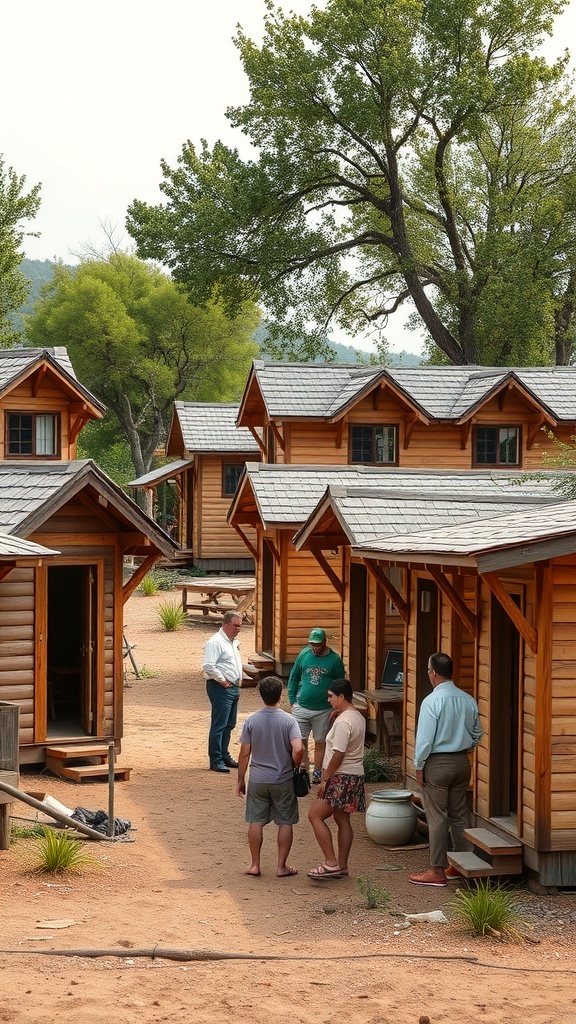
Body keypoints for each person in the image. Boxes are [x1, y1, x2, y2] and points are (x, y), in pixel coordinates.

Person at [409, 651, 483, 887]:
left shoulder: (432, 701)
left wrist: (419, 766)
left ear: (432, 672)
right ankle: (463, 866)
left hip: (437, 763)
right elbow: (477, 734)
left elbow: (425, 741)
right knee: (459, 815)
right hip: (462, 762)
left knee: (438, 817)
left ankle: (437, 870)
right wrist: (464, 747)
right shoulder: (467, 699)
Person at [237, 675, 304, 877]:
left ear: (261, 696)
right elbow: (298, 749)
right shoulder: (289, 720)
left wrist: (241, 779)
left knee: (255, 821)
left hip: (258, 778)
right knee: (285, 821)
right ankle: (281, 866)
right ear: (280, 695)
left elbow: (244, 753)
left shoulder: (252, 720)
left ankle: (255, 865)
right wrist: (295, 763)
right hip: (282, 779)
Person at [307, 678, 366, 878]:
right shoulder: (357, 716)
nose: (328, 700)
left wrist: (325, 778)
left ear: (341, 696)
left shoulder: (343, 722)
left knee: (315, 815)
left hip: (340, 776)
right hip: (355, 773)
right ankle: (342, 865)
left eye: (331, 696)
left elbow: (338, 752)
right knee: (342, 818)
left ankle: (331, 862)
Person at [287, 627, 346, 784]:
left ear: (325, 642)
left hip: (324, 709)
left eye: (317, 645)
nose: (314, 647)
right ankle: (303, 768)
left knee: (320, 740)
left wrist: (338, 707)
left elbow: (341, 684)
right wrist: (292, 699)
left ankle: (318, 770)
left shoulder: (334, 660)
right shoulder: (304, 654)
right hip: (302, 705)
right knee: (300, 739)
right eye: (312, 644)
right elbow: (294, 677)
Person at [203, 611, 257, 773]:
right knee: (219, 725)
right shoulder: (215, 643)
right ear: (226, 625)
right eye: (236, 625)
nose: (239, 629)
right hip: (221, 687)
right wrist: (223, 681)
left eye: (240, 625)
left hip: (232, 687)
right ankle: (216, 759)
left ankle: (224, 754)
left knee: (229, 724)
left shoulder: (233, 642)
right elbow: (208, 666)